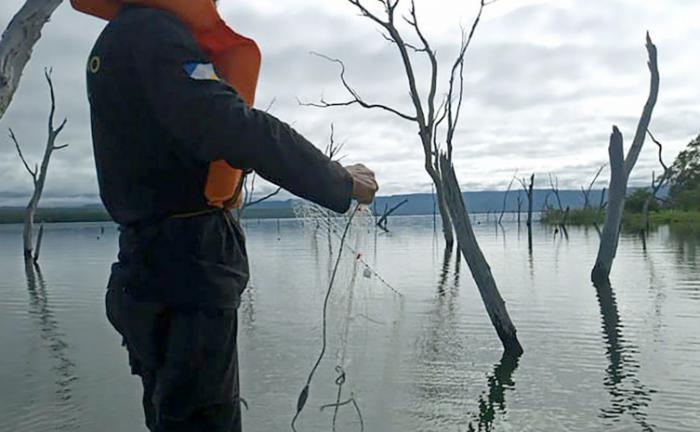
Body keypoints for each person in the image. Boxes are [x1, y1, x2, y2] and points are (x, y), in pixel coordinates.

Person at [84, 1, 378, 431]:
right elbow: (234, 125)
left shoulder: (116, 41)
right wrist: (339, 180)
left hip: (145, 270)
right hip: (187, 271)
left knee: (172, 416)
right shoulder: (153, 34)